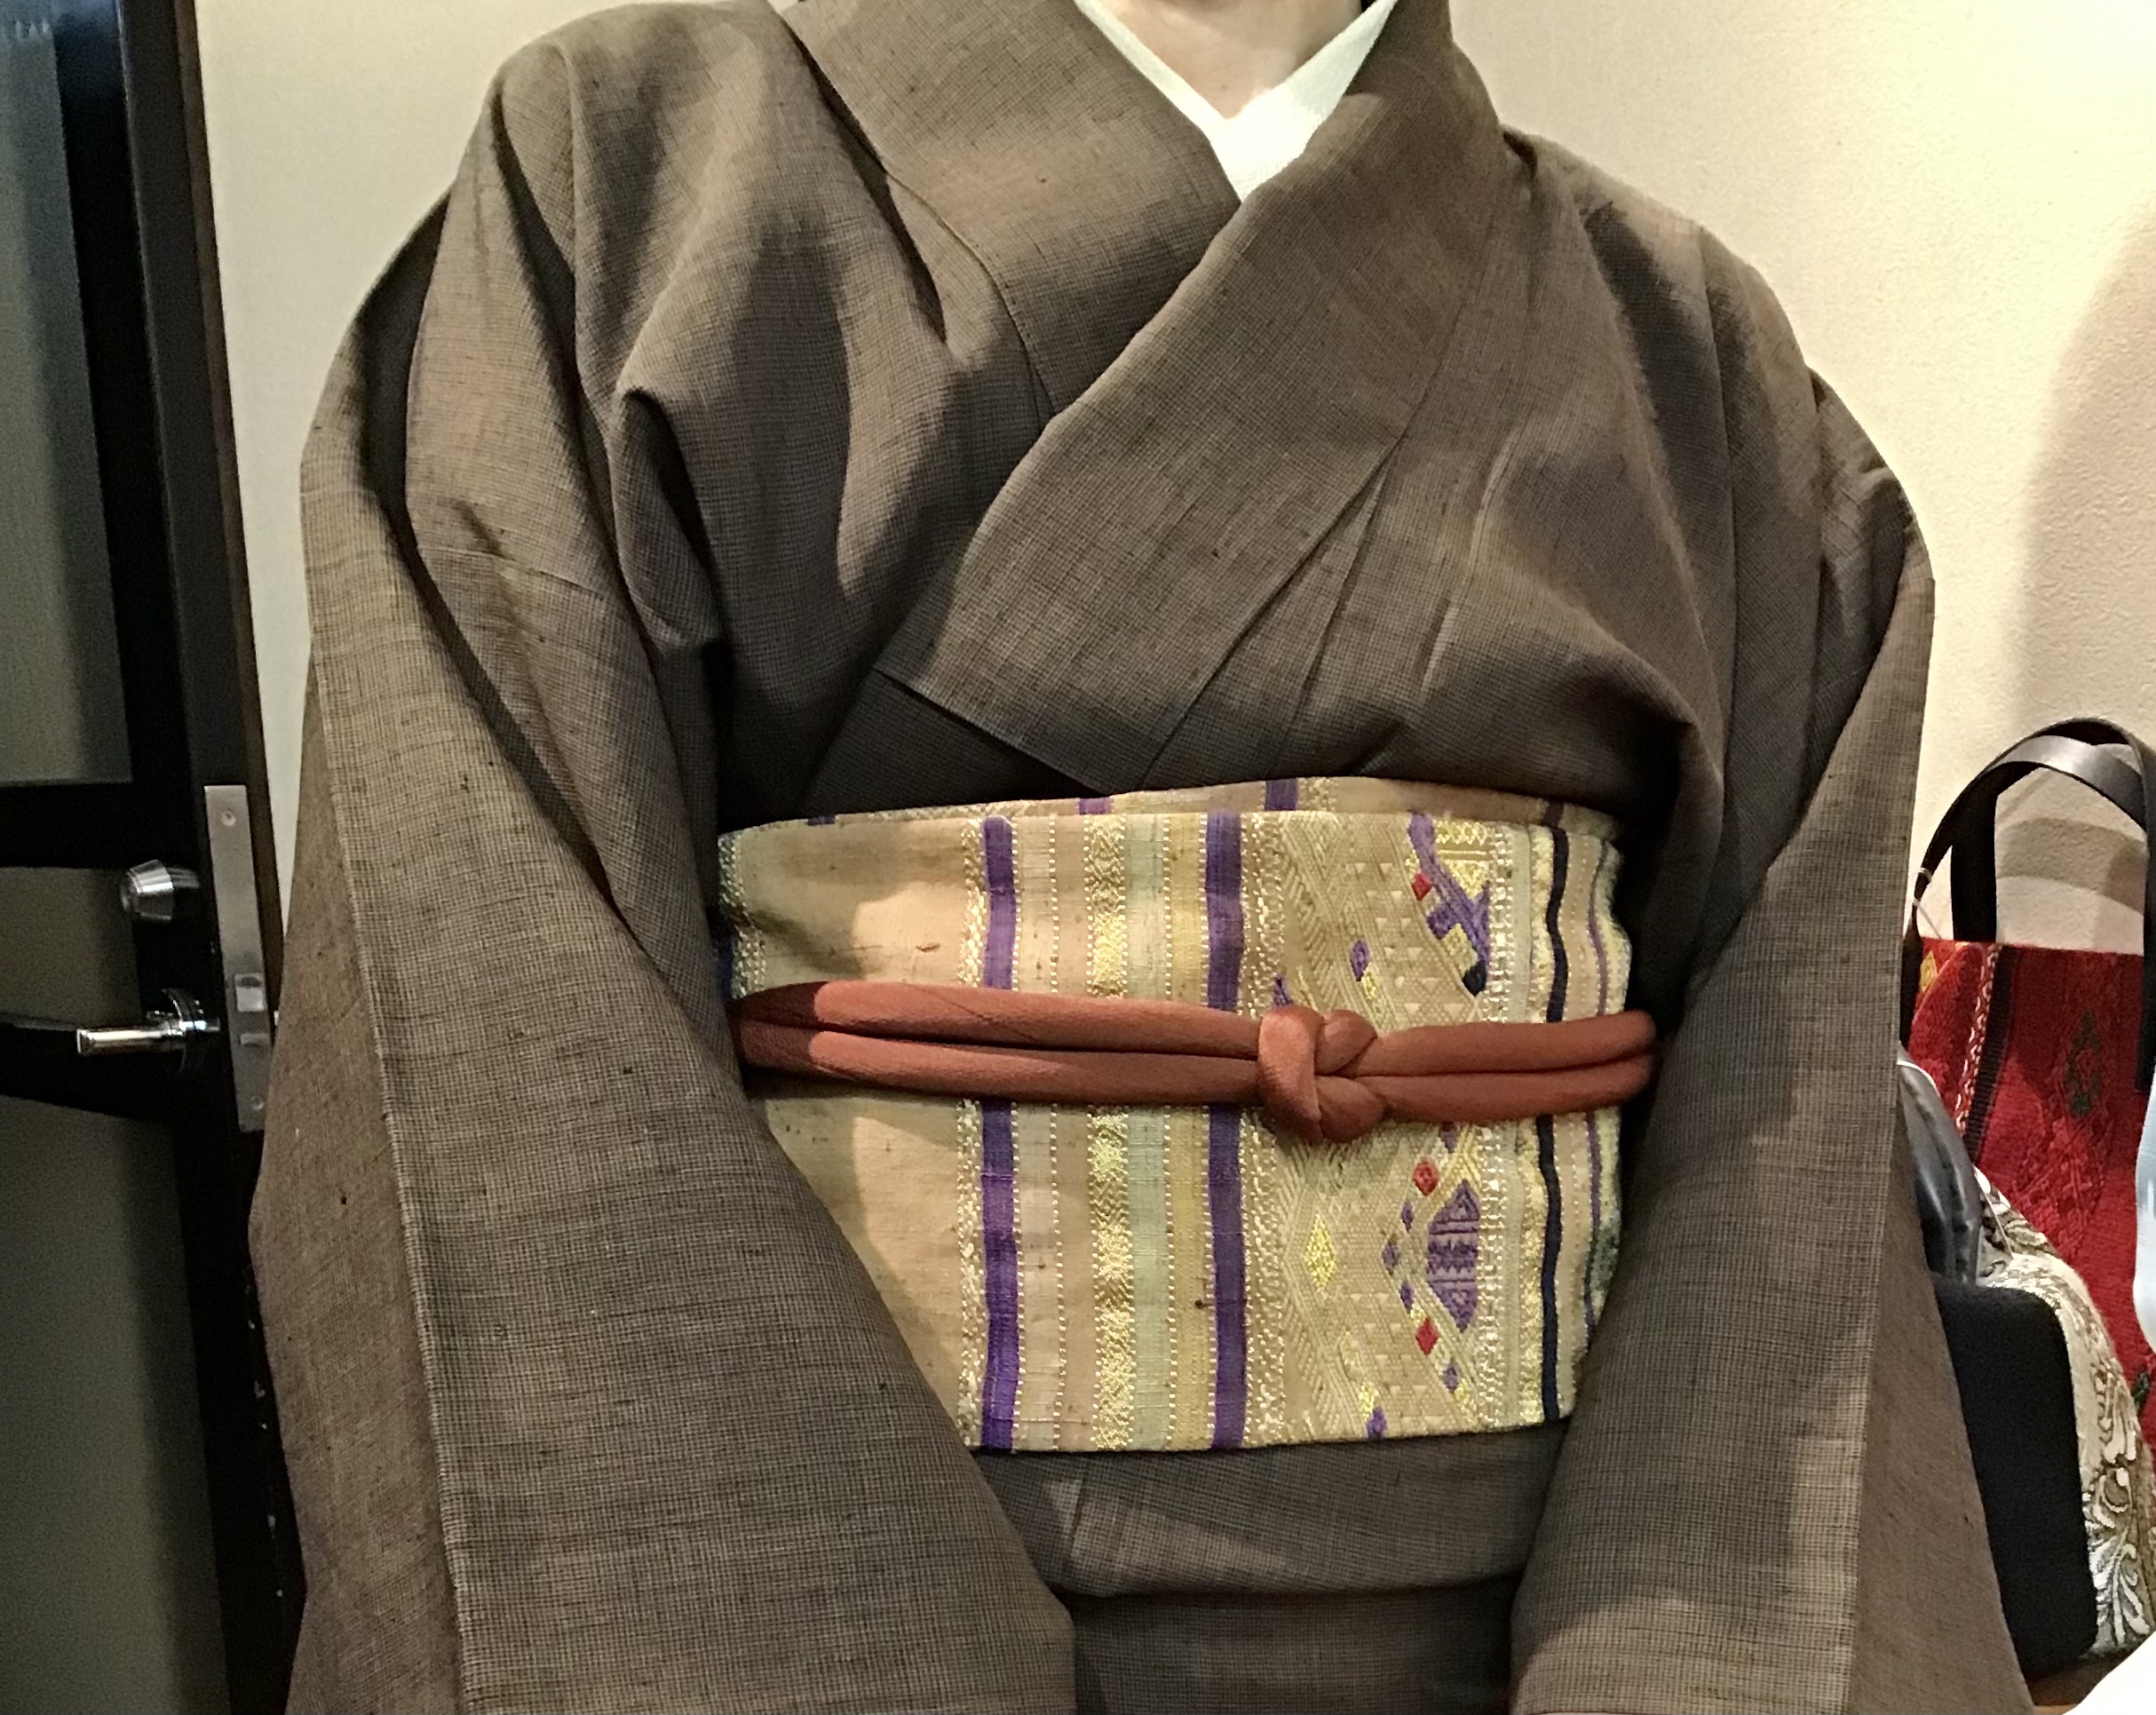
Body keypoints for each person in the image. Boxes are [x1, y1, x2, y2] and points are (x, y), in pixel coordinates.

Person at [252, 1, 2033, 1710]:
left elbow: (1781, 1186)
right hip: (831, 1572)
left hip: (1553, 1619)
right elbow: (508, 1074)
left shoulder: (1689, 349)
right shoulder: (628, 181)